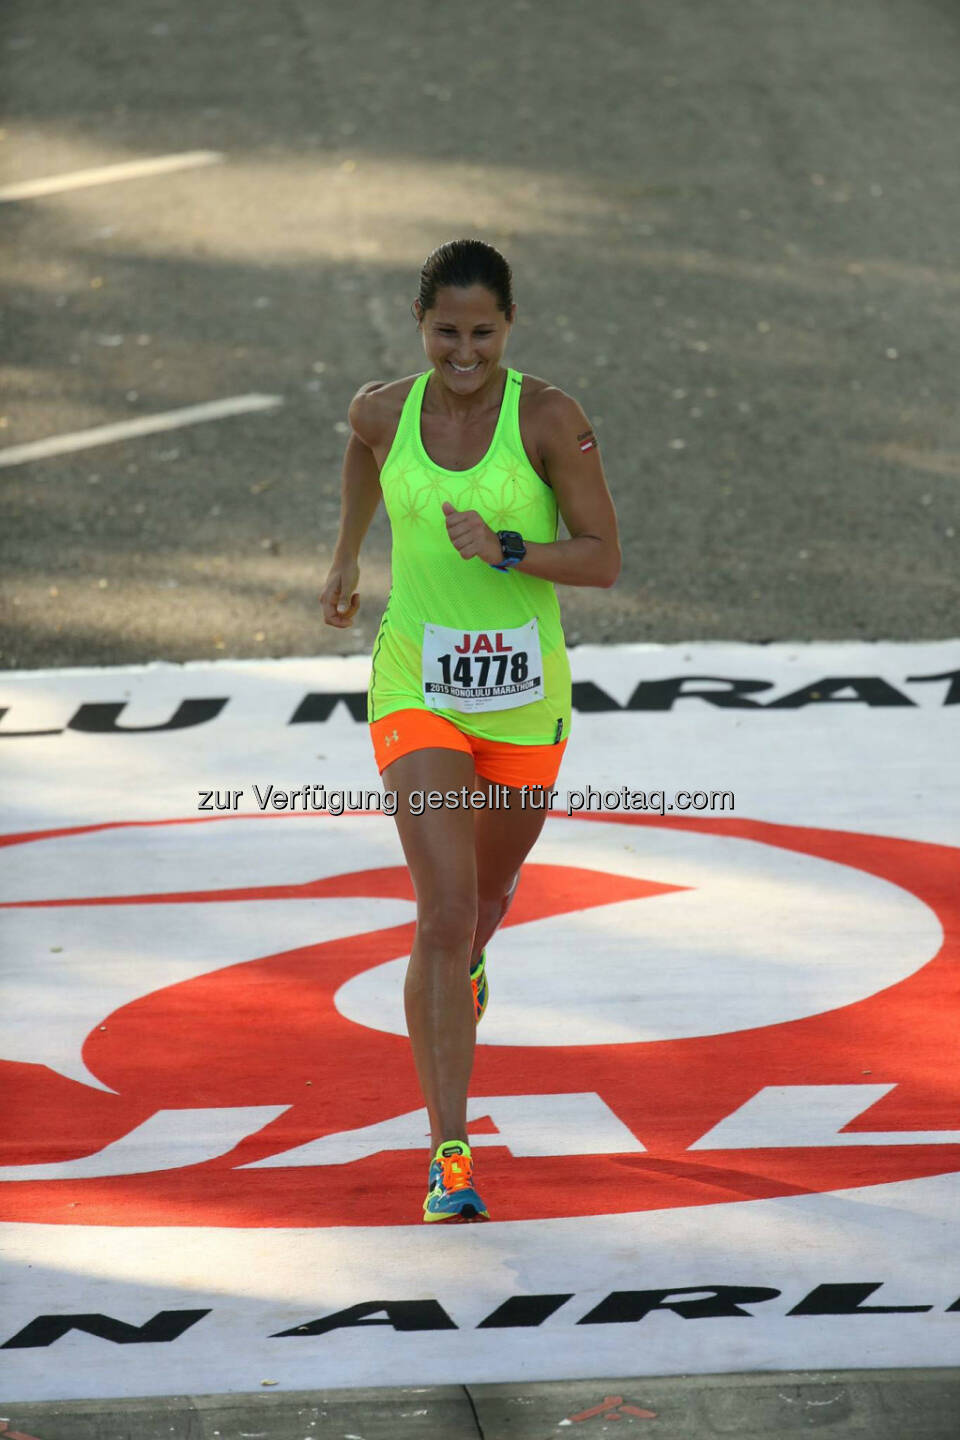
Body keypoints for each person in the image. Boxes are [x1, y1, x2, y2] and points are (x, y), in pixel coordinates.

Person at [320, 238, 620, 1222]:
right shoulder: (381, 408)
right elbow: (365, 454)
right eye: (446, 331)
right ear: (420, 325)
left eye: (482, 332)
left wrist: (509, 548)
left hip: (526, 703)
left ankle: (480, 946)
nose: (463, 350)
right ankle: (450, 1154)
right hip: (420, 689)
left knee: (484, 901)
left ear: (509, 327)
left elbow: (603, 559)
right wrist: (345, 559)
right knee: (443, 910)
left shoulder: (547, 418)